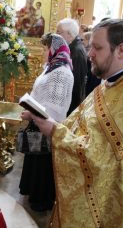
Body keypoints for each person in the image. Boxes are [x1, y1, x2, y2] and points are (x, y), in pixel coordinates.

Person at [32, 19, 123, 227]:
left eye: (97, 47)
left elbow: (103, 161)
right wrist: (45, 121)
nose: (89, 53)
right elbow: (80, 121)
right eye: (90, 46)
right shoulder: (112, 83)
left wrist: (55, 131)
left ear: (120, 50)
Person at [19, 33, 74, 212]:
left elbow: (54, 109)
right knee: (33, 160)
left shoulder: (62, 72)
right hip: (37, 121)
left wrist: (32, 114)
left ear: (54, 49)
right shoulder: (51, 67)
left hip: (46, 126)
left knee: (41, 166)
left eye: (45, 48)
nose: (43, 52)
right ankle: (30, 192)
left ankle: (40, 201)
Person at [56, 18, 87, 115]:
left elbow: (76, 83)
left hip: (71, 103)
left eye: (59, 32)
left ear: (69, 34)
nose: (56, 35)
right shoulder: (72, 47)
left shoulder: (76, 52)